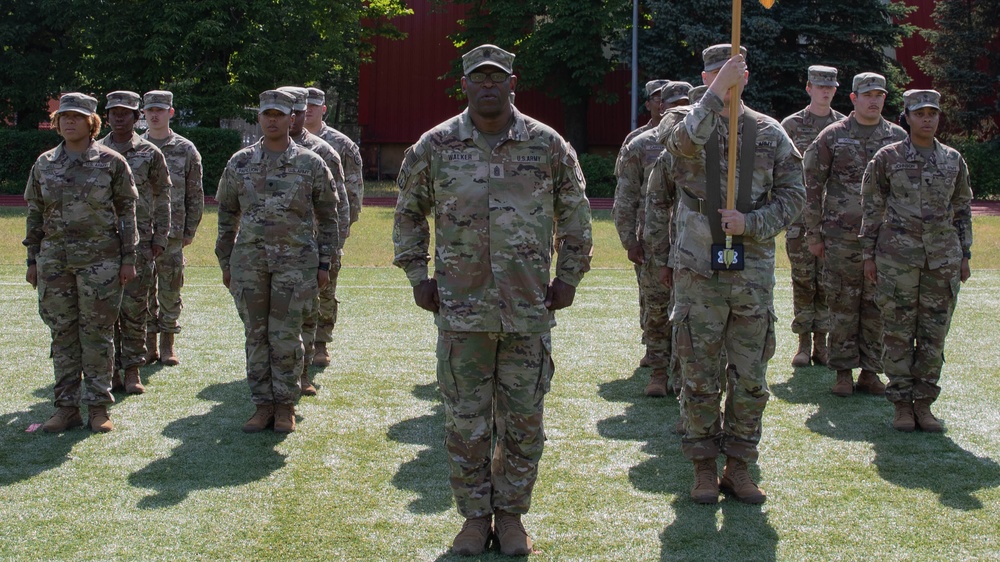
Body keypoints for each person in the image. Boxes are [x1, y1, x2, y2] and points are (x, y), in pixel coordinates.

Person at [393, 44, 593, 556]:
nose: (487, 85)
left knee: (524, 424)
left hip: (528, 310)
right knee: (466, 424)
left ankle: (511, 517)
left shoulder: (547, 144)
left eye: (496, 77)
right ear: (464, 84)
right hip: (462, 312)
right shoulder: (436, 145)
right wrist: (418, 274)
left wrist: (568, 277)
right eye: (478, 77)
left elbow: (576, 216)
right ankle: (473, 518)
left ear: (512, 83)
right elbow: (409, 213)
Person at [657, 44, 805, 504]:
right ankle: (703, 466)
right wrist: (716, 95)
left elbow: (794, 194)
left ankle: (739, 465)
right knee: (698, 370)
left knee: (750, 374)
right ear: (704, 77)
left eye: (734, 72)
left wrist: (753, 224)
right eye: (717, 73)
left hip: (752, 268)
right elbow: (682, 145)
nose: (726, 79)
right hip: (699, 265)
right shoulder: (680, 120)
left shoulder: (770, 132)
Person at [215, 90, 340, 433]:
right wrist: (226, 262)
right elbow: (226, 213)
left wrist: (324, 263)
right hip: (250, 264)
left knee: (285, 336)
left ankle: (286, 406)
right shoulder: (239, 163)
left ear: (292, 118)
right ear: (258, 118)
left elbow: (330, 216)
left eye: (279, 114)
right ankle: (262, 405)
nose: (272, 120)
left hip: (296, 265)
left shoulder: (310, 163)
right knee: (256, 336)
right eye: (266, 114)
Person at [860, 89, 973, 432]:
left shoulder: (953, 159)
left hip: (942, 260)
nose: (927, 119)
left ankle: (923, 404)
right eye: (920, 113)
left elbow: (962, 208)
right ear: (906, 117)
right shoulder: (887, 157)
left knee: (933, 335)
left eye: (932, 113)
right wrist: (868, 255)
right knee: (896, 331)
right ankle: (901, 405)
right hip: (897, 259)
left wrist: (965, 254)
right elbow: (871, 207)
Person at [25, 92, 139, 433]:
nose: (69, 121)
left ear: (92, 122)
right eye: (64, 116)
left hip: (101, 263)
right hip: (55, 263)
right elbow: (34, 214)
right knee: (63, 335)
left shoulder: (111, 162)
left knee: (98, 335)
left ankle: (99, 407)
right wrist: (32, 260)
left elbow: (127, 213)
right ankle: (66, 407)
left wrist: (128, 258)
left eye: (77, 116)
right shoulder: (44, 163)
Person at [803, 72, 906, 397]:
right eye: (867, 94)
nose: (874, 100)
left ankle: (871, 372)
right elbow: (812, 184)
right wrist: (814, 232)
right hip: (840, 237)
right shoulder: (833, 136)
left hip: (883, 240)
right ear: (853, 98)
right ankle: (843, 372)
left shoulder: (897, 137)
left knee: (877, 305)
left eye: (879, 95)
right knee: (843, 303)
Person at [613, 80, 692, 395]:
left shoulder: (702, 145)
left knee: (689, 311)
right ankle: (658, 373)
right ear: (661, 107)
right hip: (654, 242)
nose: (678, 110)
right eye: (671, 104)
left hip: (691, 244)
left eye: (685, 104)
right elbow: (625, 197)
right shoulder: (642, 144)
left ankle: (684, 373)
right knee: (657, 309)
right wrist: (629, 240)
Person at [277, 85, 350, 395]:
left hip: (312, 248)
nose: (291, 117)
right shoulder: (258, 153)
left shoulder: (323, 152)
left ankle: (310, 359)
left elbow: (340, 205)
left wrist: (332, 250)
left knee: (312, 308)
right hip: (273, 249)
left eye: (296, 111)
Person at [100, 90, 172, 395]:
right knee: (105, 310)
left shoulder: (150, 153)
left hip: (140, 241)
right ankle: (111, 371)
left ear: (136, 116)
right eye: (114, 112)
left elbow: (163, 196)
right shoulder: (95, 151)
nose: (119, 117)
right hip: (101, 244)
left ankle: (132, 370)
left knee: (135, 308)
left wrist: (161, 235)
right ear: (106, 116)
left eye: (126, 112)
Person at [780, 66, 846, 368]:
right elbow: (778, 170)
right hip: (799, 219)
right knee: (803, 281)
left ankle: (823, 344)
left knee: (829, 283)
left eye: (830, 87)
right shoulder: (791, 126)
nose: (825, 91)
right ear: (808, 88)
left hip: (833, 220)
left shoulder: (843, 126)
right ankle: (803, 343)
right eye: (820, 86)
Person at [141, 89, 205, 367]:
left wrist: (189, 230)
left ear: (171, 113)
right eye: (150, 110)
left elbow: (195, 194)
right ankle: (148, 345)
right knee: (142, 290)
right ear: (143, 114)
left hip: (173, 233)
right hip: (139, 233)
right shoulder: (132, 147)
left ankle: (168, 344)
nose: (154, 115)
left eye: (160, 110)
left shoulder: (185, 149)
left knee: (170, 288)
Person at [304, 87, 363, 367]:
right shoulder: (284, 141)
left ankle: (321, 343)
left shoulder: (341, 145)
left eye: (314, 106)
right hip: (294, 233)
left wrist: (339, 235)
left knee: (326, 289)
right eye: (305, 106)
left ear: (324, 108)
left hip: (328, 230)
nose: (309, 111)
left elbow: (353, 192)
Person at [623, 79, 669, 146]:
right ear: (648, 105)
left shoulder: (683, 135)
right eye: (657, 98)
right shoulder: (635, 137)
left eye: (666, 98)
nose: (662, 104)